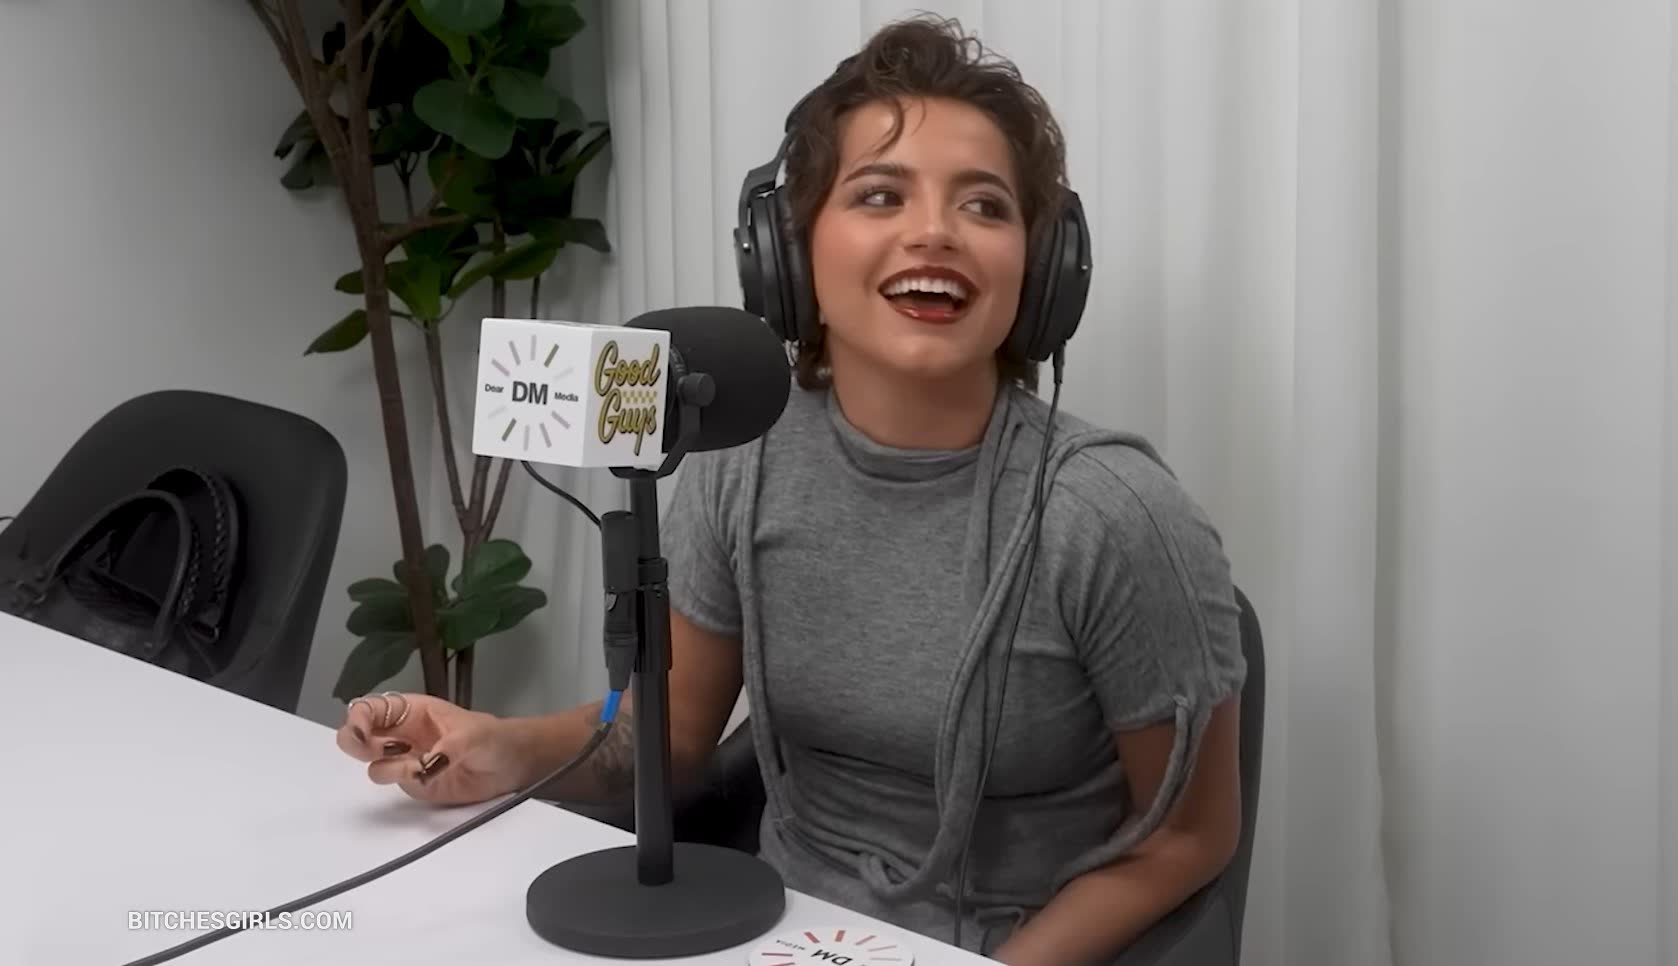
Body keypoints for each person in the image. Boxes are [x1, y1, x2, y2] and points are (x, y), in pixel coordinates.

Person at [336, 15, 1247, 965]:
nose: (934, 232)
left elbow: (1189, 838)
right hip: (772, 934)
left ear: (1042, 267)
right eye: (881, 194)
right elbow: (667, 738)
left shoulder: (1112, 515)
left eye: (985, 206)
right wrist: (497, 748)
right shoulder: (744, 460)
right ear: (787, 249)